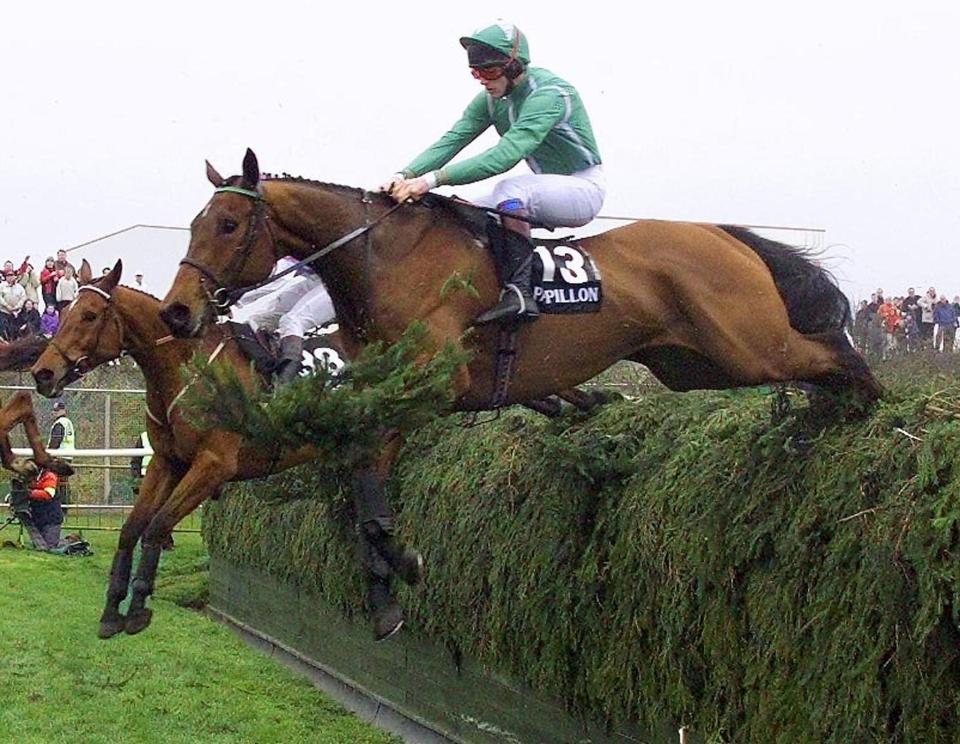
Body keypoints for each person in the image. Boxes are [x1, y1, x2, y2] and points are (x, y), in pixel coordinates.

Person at [381, 21, 605, 325]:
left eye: (488, 72)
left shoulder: (550, 94)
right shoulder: (491, 100)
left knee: (509, 190)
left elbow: (504, 156)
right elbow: (453, 139)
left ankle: (520, 293)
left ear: (513, 66)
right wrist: (405, 173)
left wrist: (429, 181)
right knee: (459, 210)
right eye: (475, 73)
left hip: (583, 189)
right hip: (545, 189)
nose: (482, 81)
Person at [232, 257, 335, 383]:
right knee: (258, 320)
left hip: (343, 286)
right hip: (317, 279)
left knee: (292, 321)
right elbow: (280, 271)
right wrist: (235, 300)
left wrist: (232, 300)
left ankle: (285, 384)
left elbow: (280, 277)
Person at [24, 467, 65, 549]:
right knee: (41, 546)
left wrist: (29, 493)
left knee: (50, 546)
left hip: (51, 518)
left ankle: (72, 542)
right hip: (37, 517)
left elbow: (48, 494)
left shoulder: (49, 476)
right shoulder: (31, 477)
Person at [48, 399, 74, 512]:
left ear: (61, 411)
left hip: (59, 456)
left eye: (56, 410)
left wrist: (48, 454)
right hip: (68, 455)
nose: (54, 413)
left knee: (56, 482)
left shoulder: (59, 424)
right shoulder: (68, 422)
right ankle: (64, 506)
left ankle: (59, 507)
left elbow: (56, 441)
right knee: (64, 483)